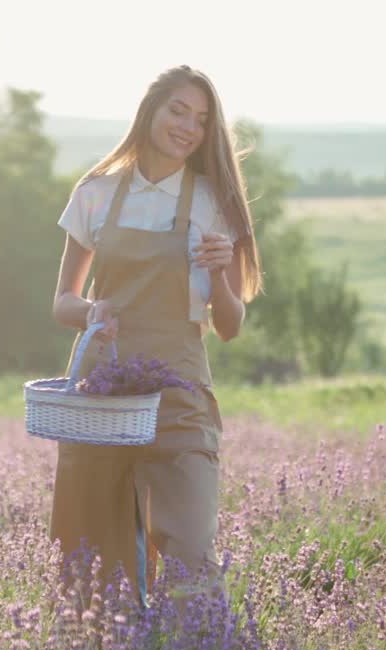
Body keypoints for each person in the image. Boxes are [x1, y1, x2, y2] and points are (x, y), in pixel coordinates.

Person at [48, 65, 262, 606]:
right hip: (104, 391)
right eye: (178, 111)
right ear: (150, 110)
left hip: (180, 389)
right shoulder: (96, 193)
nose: (189, 127)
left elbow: (231, 326)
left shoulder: (216, 202)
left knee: (191, 547)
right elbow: (62, 303)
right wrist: (93, 310)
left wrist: (217, 273)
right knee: (94, 556)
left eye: (202, 119)